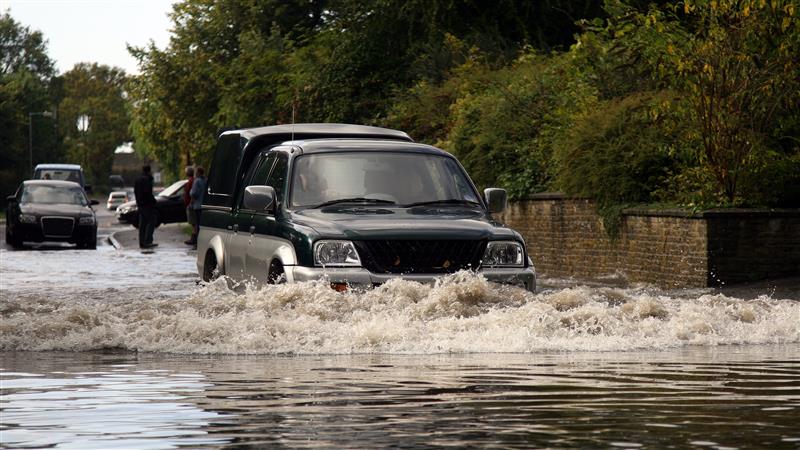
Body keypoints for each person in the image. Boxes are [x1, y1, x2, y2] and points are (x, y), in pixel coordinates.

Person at [134, 164, 158, 249]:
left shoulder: (138, 179)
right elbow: (148, 193)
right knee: (151, 221)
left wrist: (138, 202)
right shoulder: (147, 179)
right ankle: (148, 241)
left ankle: (142, 242)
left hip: (140, 204)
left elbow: (135, 192)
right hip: (147, 204)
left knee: (142, 224)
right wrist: (153, 201)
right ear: (149, 170)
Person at [187, 166, 206, 247]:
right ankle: (202, 241)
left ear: (198, 172)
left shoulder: (197, 181)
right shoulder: (205, 180)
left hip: (197, 205)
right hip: (204, 206)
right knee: (202, 224)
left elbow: (194, 193)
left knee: (197, 224)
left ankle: (197, 242)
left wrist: (190, 191)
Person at [183, 166, 195, 245]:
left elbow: (191, 194)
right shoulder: (191, 181)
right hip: (189, 204)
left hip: (191, 205)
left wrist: (190, 203)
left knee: (193, 222)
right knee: (193, 223)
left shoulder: (191, 181)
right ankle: (193, 238)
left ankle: (194, 239)